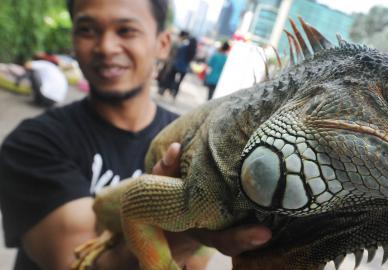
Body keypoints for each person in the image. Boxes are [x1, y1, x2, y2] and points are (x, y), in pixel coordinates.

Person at [0, 0, 270, 269]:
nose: (105, 47)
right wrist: (187, 230)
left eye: (126, 30)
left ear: (163, 44)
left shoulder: (200, 140)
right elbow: (79, 264)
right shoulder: (30, 144)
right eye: (87, 30)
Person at [158, 30, 197, 99]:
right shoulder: (192, 49)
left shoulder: (183, 46)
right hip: (184, 67)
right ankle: (174, 93)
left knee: (170, 77)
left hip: (176, 64)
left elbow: (176, 53)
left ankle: (165, 89)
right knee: (179, 81)